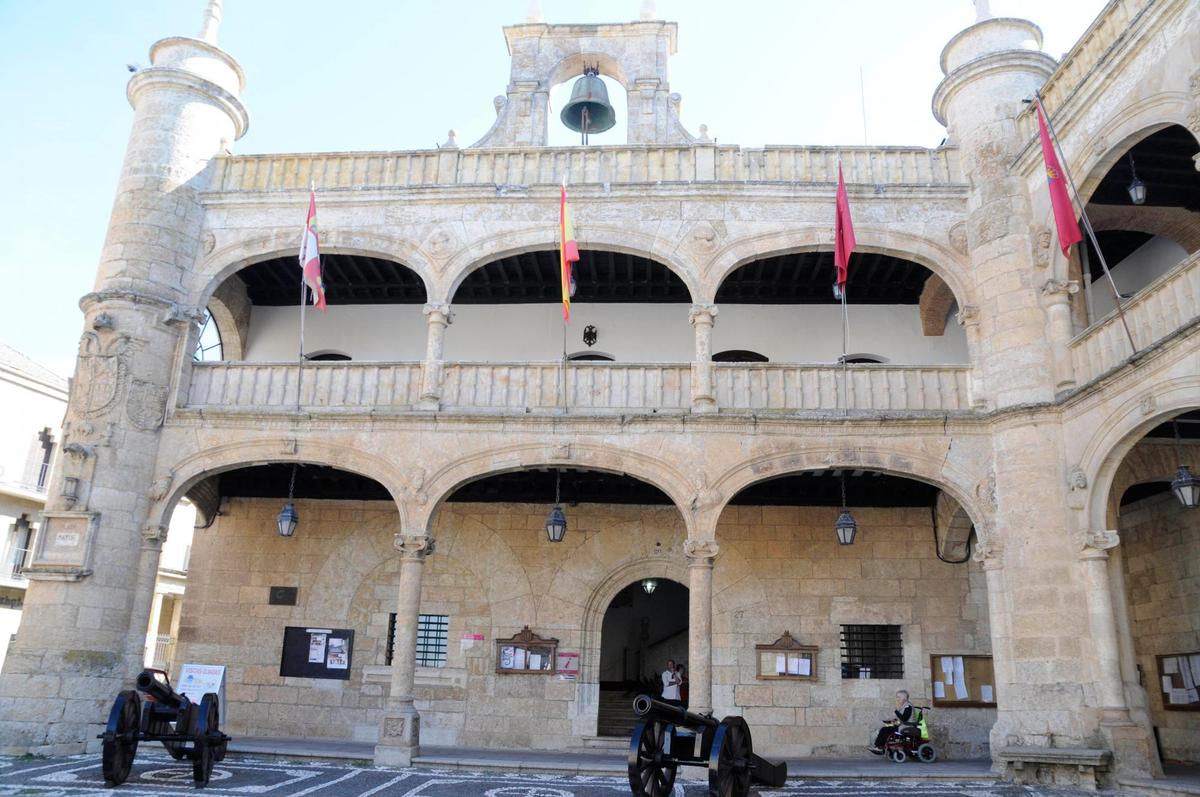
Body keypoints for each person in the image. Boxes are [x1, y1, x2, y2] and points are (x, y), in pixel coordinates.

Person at [868, 690, 914, 754]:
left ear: (904, 698)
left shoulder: (908, 706)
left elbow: (904, 719)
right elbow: (899, 719)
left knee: (885, 729)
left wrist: (896, 711)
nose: (897, 699)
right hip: (901, 725)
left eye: (898, 697)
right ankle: (878, 746)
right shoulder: (904, 706)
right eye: (897, 697)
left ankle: (880, 747)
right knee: (884, 726)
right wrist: (888, 722)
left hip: (905, 727)